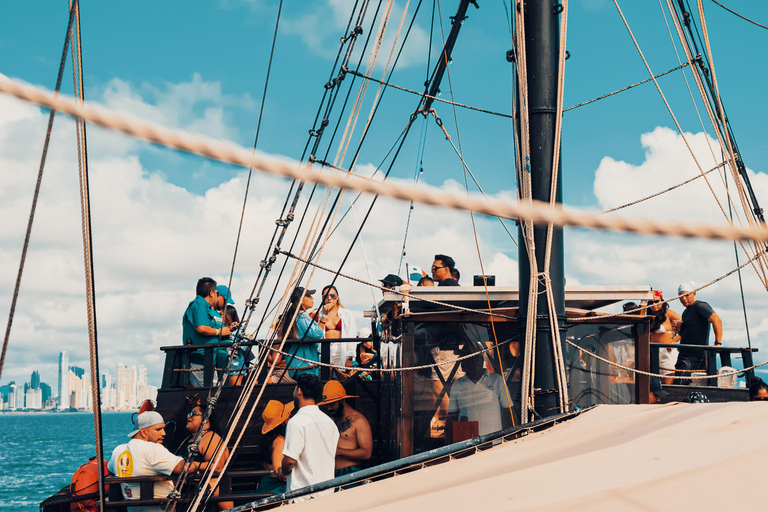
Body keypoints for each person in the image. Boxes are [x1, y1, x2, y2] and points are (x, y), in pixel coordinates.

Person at [108, 411, 207, 511]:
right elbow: (185, 468)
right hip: (160, 508)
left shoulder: (118, 450)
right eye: (158, 429)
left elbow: (111, 470)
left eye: (163, 428)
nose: (164, 433)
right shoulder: (152, 449)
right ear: (143, 431)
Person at [278, 374, 339, 502]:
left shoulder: (296, 422)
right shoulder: (329, 422)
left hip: (304, 496)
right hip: (327, 493)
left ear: (299, 391)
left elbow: (290, 461)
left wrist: (282, 470)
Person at [447, 346, 512, 438]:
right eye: (462, 359)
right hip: (467, 443)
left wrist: (514, 437)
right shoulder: (457, 385)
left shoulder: (497, 380)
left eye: (465, 359)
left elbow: (508, 411)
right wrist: (449, 442)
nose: (461, 363)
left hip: (494, 441)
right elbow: (452, 416)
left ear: (478, 360)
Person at [179, 406, 233, 510]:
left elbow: (217, 467)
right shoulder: (191, 439)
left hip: (207, 494)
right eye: (189, 413)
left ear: (205, 419)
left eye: (194, 413)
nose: (189, 416)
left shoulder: (210, 437)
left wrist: (190, 465)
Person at [182, 277, 231, 387]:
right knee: (205, 394)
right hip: (199, 359)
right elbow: (202, 328)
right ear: (211, 293)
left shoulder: (204, 307)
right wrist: (220, 332)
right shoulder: (199, 304)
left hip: (208, 359)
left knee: (212, 392)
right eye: (215, 292)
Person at [318, 380, 373, 478]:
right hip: (329, 474)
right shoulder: (331, 419)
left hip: (350, 474)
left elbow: (367, 453)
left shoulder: (359, 421)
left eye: (332, 404)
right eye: (327, 404)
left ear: (342, 400)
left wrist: (339, 451)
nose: (329, 408)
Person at [676, 282, 723, 379]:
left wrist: (718, 342)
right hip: (684, 353)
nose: (683, 299)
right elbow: (685, 333)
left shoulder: (700, 306)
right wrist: (679, 327)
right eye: (680, 297)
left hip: (696, 355)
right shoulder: (686, 312)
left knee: (683, 382)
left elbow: (716, 320)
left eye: (686, 295)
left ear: (694, 293)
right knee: (681, 381)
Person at [276, 287, 325, 380]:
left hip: (299, 362)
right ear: (301, 300)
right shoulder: (301, 316)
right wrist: (324, 317)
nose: (312, 298)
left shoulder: (295, 315)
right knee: (307, 391)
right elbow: (318, 334)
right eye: (309, 296)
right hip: (305, 363)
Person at [317, 285, 356, 380]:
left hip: (341, 349)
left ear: (337, 297)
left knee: (344, 379)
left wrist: (350, 357)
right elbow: (317, 333)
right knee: (326, 381)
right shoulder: (320, 314)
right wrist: (323, 314)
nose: (329, 298)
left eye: (332, 295)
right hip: (325, 350)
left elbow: (352, 335)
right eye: (325, 296)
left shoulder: (346, 313)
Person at [257, 400, 295, 495]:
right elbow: (279, 471)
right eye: (288, 416)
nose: (290, 417)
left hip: (268, 483)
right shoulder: (279, 441)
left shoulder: (270, 439)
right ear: (283, 422)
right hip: (276, 487)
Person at [649, 290, 682, 385]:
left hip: (666, 352)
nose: (654, 305)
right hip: (651, 353)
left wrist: (673, 341)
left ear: (662, 301)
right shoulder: (648, 315)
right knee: (652, 383)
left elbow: (684, 330)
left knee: (666, 382)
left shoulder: (669, 314)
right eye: (651, 302)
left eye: (657, 301)